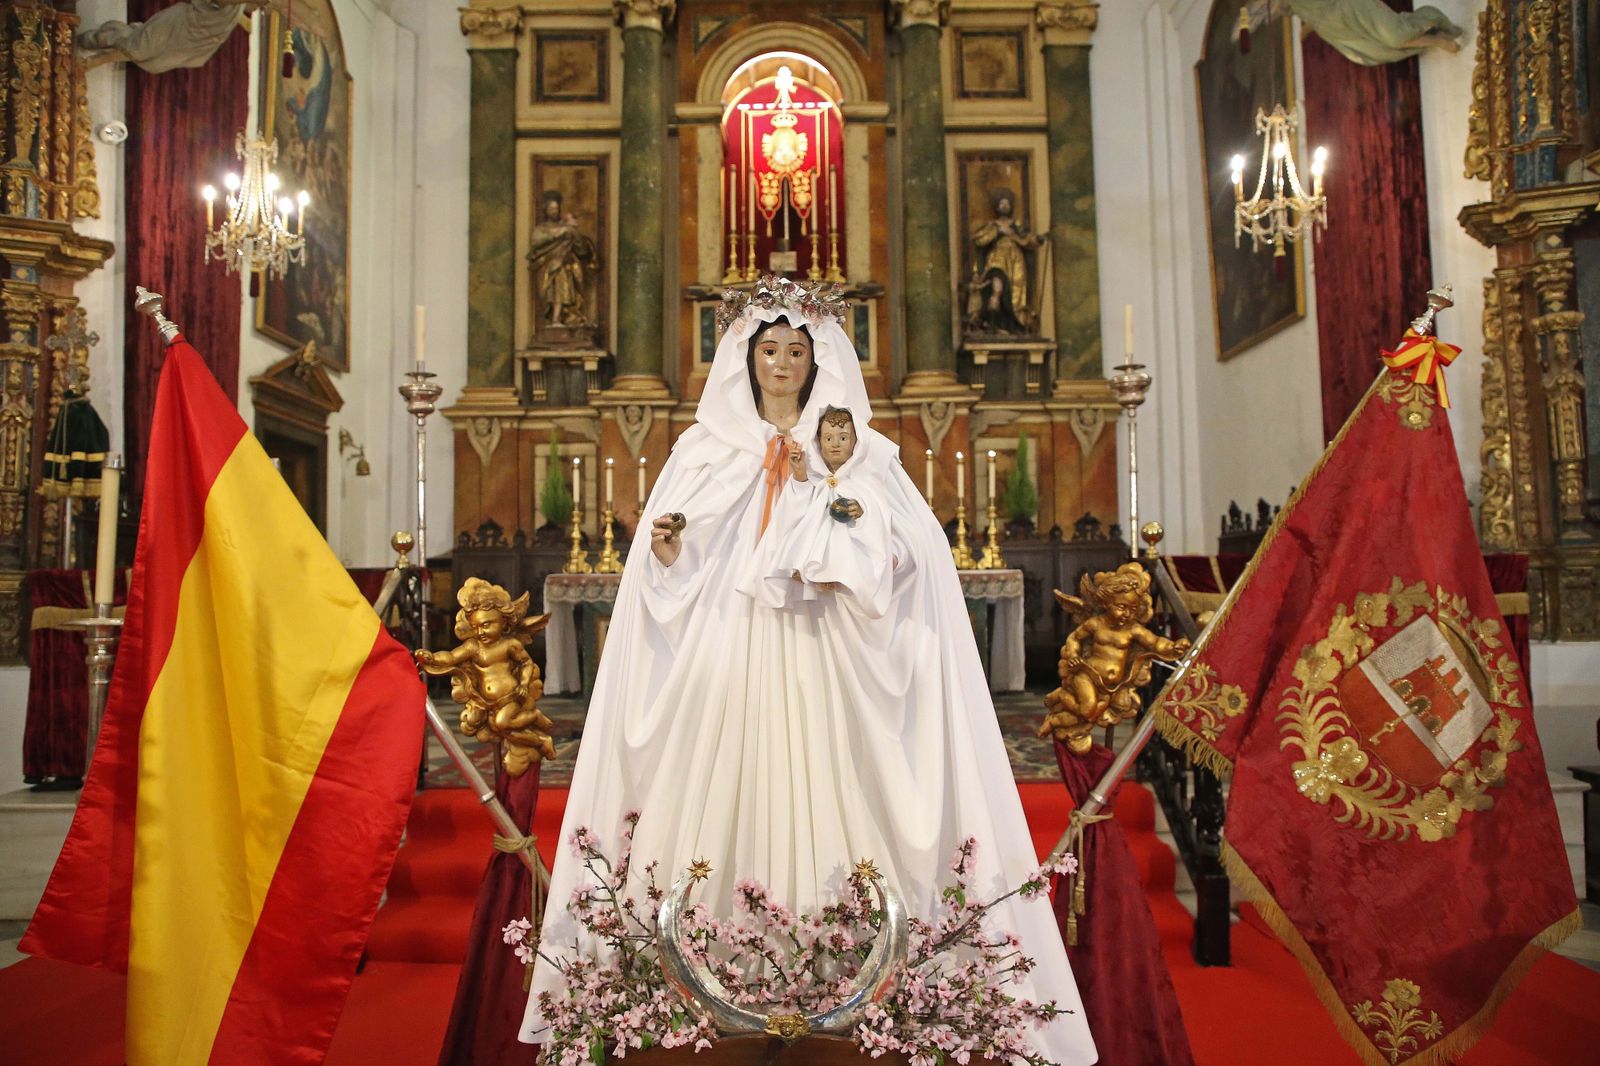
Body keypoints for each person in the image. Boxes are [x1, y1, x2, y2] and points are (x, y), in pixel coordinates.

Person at [522, 282, 1096, 1064]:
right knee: (725, 790)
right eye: (769, 351)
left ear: (818, 360)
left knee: (838, 784)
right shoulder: (703, 451)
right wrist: (662, 559)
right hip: (730, 650)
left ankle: (850, 969)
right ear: (745, 359)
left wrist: (858, 551)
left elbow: (909, 552)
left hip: (826, 649)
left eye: (797, 351)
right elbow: (669, 569)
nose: (783, 364)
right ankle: (710, 970)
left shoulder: (856, 449)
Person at [738, 404, 894, 617]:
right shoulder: (819, 482)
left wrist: (862, 510)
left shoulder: (864, 482)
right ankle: (806, 569)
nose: (835, 444)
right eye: (828, 438)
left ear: (856, 443)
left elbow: (878, 512)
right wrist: (801, 475)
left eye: (843, 438)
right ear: (818, 443)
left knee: (840, 533)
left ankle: (834, 572)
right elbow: (795, 510)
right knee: (809, 524)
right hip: (820, 592)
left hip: (851, 557)